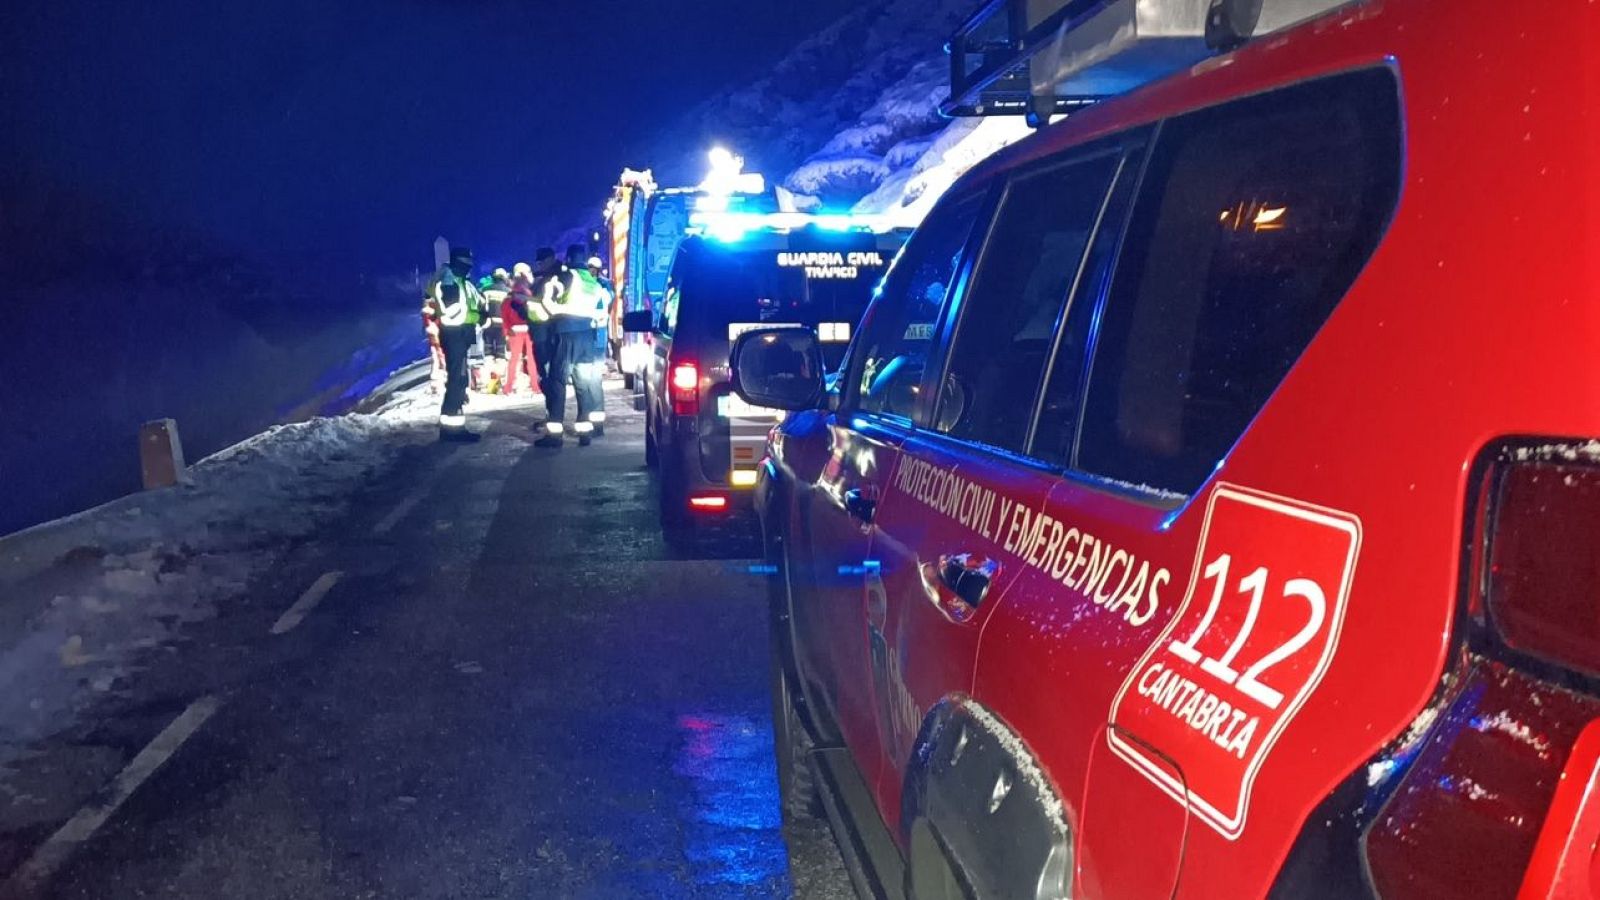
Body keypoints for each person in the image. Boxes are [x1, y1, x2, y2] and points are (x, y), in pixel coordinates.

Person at [537, 245, 610, 447]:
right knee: (583, 384)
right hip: (587, 335)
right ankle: (584, 432)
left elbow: (547, 300)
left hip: (566, 333)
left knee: (558, 382)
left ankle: (554, 435)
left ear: (569, 258)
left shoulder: (567, 277)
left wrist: (554, 310)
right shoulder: (592, 281)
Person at [424, 246, 484, 441]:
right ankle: (452, 430)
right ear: (460, 262)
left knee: (460, 379)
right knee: (457, 380)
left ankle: (453, 427)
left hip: (460, 334)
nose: (470, 266)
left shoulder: (460, 280)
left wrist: (480, 313)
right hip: (454, 333)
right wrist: (478, 316)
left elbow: (477, 303)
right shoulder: (449, 280)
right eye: (468, 262)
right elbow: (454, 311)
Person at [502, 263, 539, 396]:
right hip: (529, 329)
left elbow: (505, 313)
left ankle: (509, 387)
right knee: (532, 359)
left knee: (514, 359)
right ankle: (535, 386)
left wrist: (506, 331)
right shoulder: (530, 294)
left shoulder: (510, 296)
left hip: (514, 330)